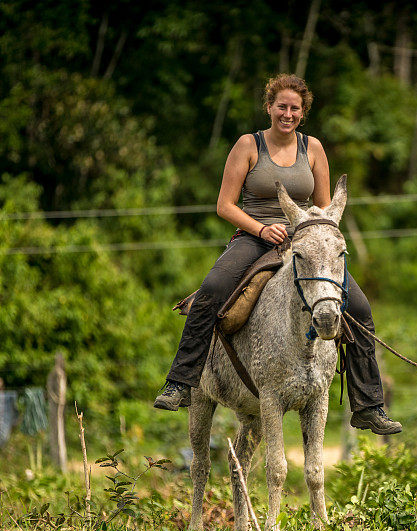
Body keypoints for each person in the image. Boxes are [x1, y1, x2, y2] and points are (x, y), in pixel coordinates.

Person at [153, 74, 402, 435]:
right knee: (211, 289)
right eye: (281, 106)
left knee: (360, 308)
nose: (288, 114)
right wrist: (261, 229)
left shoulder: (313, 148)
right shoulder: (248, 145)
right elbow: (225, 205)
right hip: (254, 238)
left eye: (295, 108)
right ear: (269, 107)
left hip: (302, 241)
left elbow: (322, 208)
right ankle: (181, 382)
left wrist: (316, 239)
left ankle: (368, 406)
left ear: (304, 113)